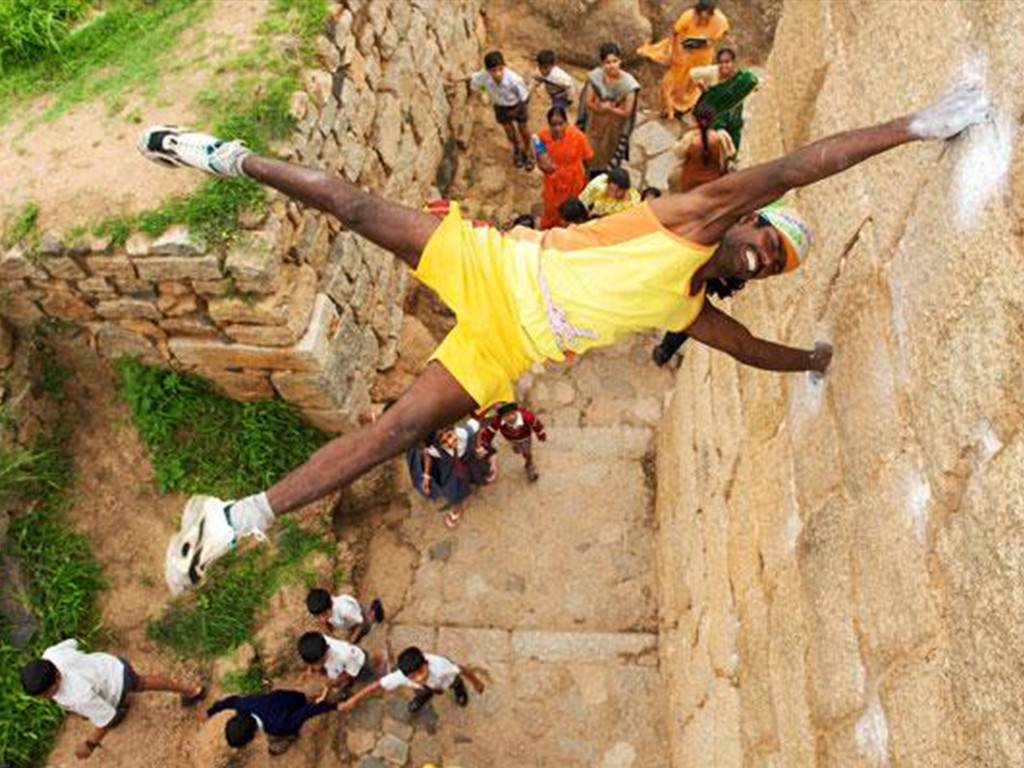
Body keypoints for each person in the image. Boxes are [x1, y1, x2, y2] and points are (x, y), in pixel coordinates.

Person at [138, 80, 989, 583]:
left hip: (509, 348)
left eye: (773, 267)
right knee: (357, 207)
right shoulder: (693, 215)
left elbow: (753, 351)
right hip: (501, 268)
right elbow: (807, 163)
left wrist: (812, 359)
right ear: (748, 219)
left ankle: (239, 519)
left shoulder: (691, 308)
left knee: (401, 428)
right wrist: (916, 127)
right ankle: (223, 155)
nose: (764, 258)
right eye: (768, 241)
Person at [20, 639, 205, 760]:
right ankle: (191, 690)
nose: (42, 699)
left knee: (140, 685)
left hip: (118, 682)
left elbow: (105, 720)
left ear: (54, 684)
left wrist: (89, 745)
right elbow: (73, 643)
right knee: (139, 683)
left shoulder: (78, 696)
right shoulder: (51, 654)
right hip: (110, 664)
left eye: (43, 695)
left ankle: (190, 690)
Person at [638, 0, 730, 120]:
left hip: (703, 55)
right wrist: (677, 53)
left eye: (706, 18)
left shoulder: (719, 20)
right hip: (684, 51)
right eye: (700, 17)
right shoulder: (688, 16)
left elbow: (725, 32)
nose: (702, 20)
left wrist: (713, 41)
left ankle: (686, 107)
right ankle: (669, 109)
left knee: (694, 83)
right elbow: (676, 33)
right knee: (674, 81)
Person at [449, 50, 534, 170]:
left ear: (504, 67)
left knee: (523, 130)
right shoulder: (484, 76)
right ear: (488, 70)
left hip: (517, 105)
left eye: (500, 69)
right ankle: (517, 149)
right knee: (509, 131)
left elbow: (524, 97)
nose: (498, 74)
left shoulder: (514, 80)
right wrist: (456, 80)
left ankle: (528, 151)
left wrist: (522, 111)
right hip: (501, 107)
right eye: (493, 71)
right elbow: (473, 78)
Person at [338, 646, 483, 715]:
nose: (419, 677)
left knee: (454, 683)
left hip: (446, 680)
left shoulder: (441, 667)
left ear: (426, 663)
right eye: (412, 676)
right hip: (428, 687)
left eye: (421, 672)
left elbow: (462, 669)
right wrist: (353, 700)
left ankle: (459, 690)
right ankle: (425, 695)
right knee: (420, 690)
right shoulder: (401, 675)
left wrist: (476, 682)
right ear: (405, 674)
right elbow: (377, 685)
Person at [206, 689, 337, 755]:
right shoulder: (242, 705)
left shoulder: (277, 726)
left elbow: (305, 714)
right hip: (289, 696)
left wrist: (331, 706)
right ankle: (312, 698)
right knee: (298, 702)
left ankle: (290, 737)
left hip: (291, 711)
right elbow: (229, 701)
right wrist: (211, 711)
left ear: (253, 737)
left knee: (278, 740)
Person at [578, 42, 640, 170]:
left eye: (615, 61)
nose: (612, 66)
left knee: (608, 155)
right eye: (607, 62)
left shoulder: (628, 85)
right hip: (594, 124)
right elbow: (588, 102)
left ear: (620, 61)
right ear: (602, 64)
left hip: (614, 127)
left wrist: (610, 109)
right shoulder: (596, 77)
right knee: (590, 152)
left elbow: (627, 112)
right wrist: (599, 108)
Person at [535, 106, 594, 228]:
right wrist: (545, 167)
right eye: (553, 125)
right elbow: (539, 158)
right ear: (549, 124)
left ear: (566, 122)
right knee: (551, 210)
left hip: (574, 180)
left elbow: (588, 160)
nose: (557, 128)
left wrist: (586, 181)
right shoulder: (541, 138)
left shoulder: (579, 137)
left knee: (571, 210)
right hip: (553, 182)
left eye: (560, 124)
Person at [297, 631, 382, 703]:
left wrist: (335, 682)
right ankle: (345, 693)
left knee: (367, 675)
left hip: (359, 664)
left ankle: (380, 671)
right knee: (342, 684)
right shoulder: (317, 641)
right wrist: (310, 669)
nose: (316, 667)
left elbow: (350, 673)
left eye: (320, 662)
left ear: (327, 648)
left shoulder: (344, 654)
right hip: (342, 666)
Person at [690, 47, 746, 150]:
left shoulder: (739, 79)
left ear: (733, 62)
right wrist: (703, 88)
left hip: (732, 116)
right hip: (713, 116)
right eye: (721, 62)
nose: (724, 65)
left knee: (733, 132)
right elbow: (693, 74)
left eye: (727, 62)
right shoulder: (714, 75)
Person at [480, 402, 547, 482]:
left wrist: (540, 434)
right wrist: (485, 441)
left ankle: (529, 464)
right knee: (516, 447)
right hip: (510, 439)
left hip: (524, 438)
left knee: (526, 452)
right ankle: (517, 448)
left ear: (516, 412)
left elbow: (536, 425)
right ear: (502, 417)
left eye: (512, 414)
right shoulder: (498, 421)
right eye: (506, 416)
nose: (510, 417)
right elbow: (490, 431)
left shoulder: (527, 417)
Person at [668, 126, 736, 193]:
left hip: (691, 181)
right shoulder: (721, 136)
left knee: (673, 179)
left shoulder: (691, 138)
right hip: (716, 177)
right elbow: (731, 153)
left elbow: (678, 152)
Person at [305, 588, 384, 644]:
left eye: (321, 616)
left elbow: (360, 623)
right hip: (351, 619)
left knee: (367, 626)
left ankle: (374, 612)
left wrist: (350, 643)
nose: (320, 619)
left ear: (327, 610)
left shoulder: (345, 611)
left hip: (359, 619)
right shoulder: (325, 607)